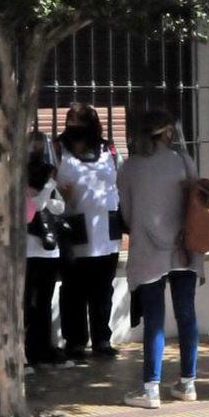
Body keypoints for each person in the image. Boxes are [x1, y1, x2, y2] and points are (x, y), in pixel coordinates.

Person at [118, 110, 200, 408]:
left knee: (154, 318)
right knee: (186, 314)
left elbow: (126, 213)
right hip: (184, 247)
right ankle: (188, 383)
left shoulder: (130, 167)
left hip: (149, 249)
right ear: (168, 133)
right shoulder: (182, 161)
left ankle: (151, 389)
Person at [56, 104, 121, 362]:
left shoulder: (108, 149)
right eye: (70, 121)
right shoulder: (58, 149)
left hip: (108, 230)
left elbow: (119, 182)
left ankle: (102, 339)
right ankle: (75, 341)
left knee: (103, 290)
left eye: (79, 122)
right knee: (73, 290)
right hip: (75, 229)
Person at [24, 141, 67, 372]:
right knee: (28, 305)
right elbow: (36, 207)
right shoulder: (23, 184)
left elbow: (59, 207)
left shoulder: (48, 186)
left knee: (44, 304)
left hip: (49, 253)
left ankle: (44, 348)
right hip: (29, 252)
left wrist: (49, 189)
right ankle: (28, 352)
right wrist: (48, 186)